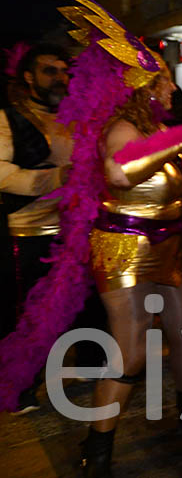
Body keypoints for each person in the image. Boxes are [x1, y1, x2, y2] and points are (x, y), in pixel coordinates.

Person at [0, 0, 182, 476]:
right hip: (126, 249)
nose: (173, 87)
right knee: (130, 350)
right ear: (143, 88)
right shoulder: (122, 128)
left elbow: (160, 182)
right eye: (164, 80)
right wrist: (179, 143)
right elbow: (118, 173)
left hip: (170, 243)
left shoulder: (155, 126)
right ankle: (99, 444)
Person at [0, 43, 78, 414]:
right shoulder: (7, 117)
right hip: (31, 233)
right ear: (28, 77)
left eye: (64, 71)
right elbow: (2, 173)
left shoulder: (75, 115)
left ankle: (83, 366)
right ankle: (22, 385)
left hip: (74, 231)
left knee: (78, 306)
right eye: (50, 71)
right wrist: (52, 179)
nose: (59, 78)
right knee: (30, 315)